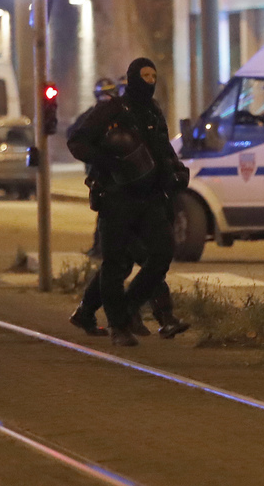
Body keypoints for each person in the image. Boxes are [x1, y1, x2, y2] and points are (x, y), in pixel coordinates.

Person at [67, 58, 190, 347]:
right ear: (133, 78)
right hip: (117, 197)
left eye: (153, 75)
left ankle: (128, 307)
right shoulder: (111, 109)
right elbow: (78, 142)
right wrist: (108, 161)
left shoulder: (154, 110)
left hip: (150, 198)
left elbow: (162, 146)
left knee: (161, 254)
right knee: (115, 263)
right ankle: (118, 326)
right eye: (144, 75)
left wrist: (176, 169)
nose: (149, 80)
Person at [67, 77, 119, 258]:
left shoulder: (123, 113)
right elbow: (73, 136)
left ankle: (105, 248)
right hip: (100, 171)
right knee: (105, 209)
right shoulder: (93, 115)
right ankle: (100, 248)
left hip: (118, 172)